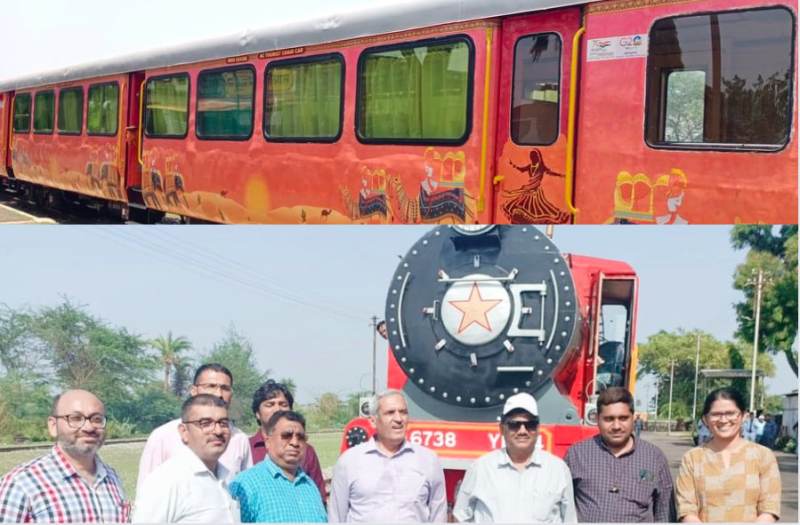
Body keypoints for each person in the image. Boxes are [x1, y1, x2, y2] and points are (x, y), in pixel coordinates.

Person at [0, 390, 129, 522]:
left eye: (97, 419)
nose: (89, 427)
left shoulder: (112, 477)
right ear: (53, 426)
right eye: (76, 418)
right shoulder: (21, 484)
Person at [454, 393, 576, 523]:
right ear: (502, 429)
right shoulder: (480, 468)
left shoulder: (558, 470)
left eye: (530, 424)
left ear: (538, 428)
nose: (522, 431)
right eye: (514, 424)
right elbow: (460, 517)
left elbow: (569, 520)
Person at [328, 390, 446, 522]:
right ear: (373, 421)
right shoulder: (349, 462)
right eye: (390, 413)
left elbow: (439, 516)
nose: (398, 419)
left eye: (403, 412)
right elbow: (336, 518)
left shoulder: (428, 461)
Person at [136, 363, 252, 497]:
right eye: (211, 386)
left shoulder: (239, 439)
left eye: (225, 388)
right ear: (193, 391)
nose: (219, 394)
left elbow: (245, 493)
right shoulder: (163, 436)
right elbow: (146, 493)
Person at [565, 387, 674, 522]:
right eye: (609, 419)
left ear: (633, 418)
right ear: (597, 419)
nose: (616, 426)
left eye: (623, 418)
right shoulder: (577, 454)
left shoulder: (654, 457)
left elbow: (664, 512)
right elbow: (561, 504)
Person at [675, 387, 781, 522]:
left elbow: (769, 508)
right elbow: (686, 509)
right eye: (716, 414)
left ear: (744, 416)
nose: (723, 420)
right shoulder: (692, 458)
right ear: (705, 419)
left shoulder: (763, 456)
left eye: (730, 413)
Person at [133, 395, 240, 523]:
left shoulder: (227, 478)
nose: (218, 431)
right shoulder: (167, 481)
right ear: (184, 432)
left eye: (223, 423)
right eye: (205, 423)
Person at [230, 411, 326, 523]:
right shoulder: (246, 484)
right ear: (268, 441)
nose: (295, 442)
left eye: (300, 437)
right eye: (286, 436)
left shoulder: (309, 485)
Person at [249, 380, 326, 499]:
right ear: (257, 414)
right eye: (270, 404)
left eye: (283, 404)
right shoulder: (246, 448)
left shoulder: (305, 450)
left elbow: (318, 494)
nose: (277, 409)